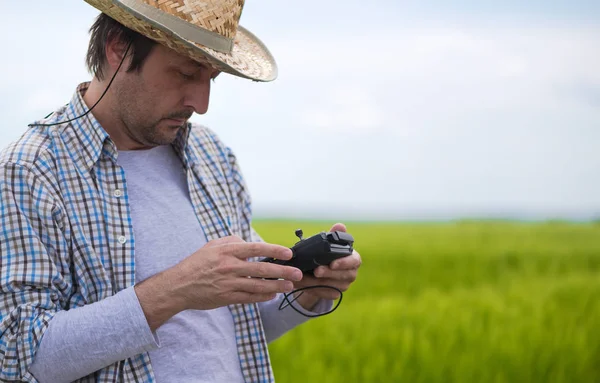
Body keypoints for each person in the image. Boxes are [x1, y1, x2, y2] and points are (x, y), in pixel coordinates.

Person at [0, 1, 362, 382]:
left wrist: (306, 293)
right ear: (118, 47)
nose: (201, 104)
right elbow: (18, 354)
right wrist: (175, 290)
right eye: (186, 74)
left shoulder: (212, 156)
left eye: (211, 78)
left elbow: (233, 330)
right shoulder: (29, 173)